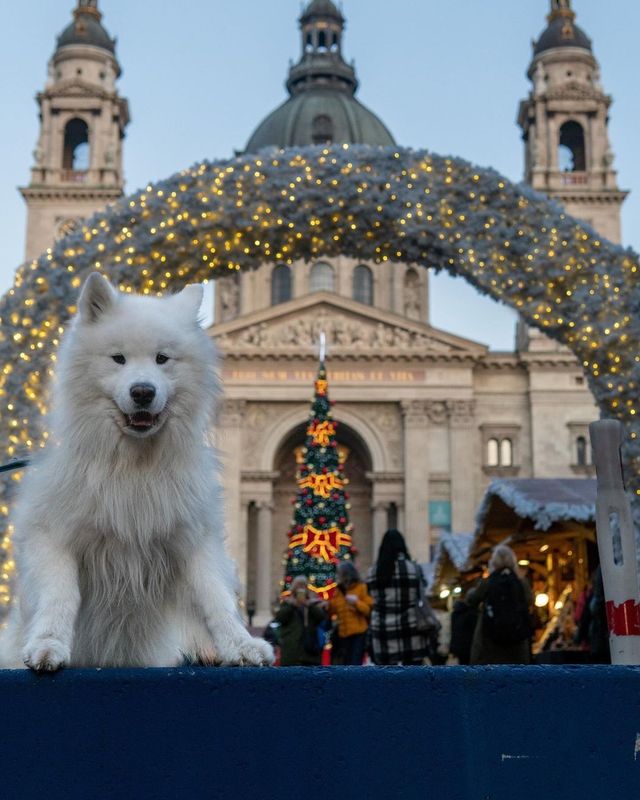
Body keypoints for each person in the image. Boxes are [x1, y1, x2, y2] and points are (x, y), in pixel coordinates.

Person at [366, 529, 429, 665]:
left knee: (387, 682)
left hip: (383, 632)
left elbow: (371, 597)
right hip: (410, 630)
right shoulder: (413, 569)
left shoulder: (372, 572)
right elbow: (420, 595)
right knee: (413, 680)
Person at [465, 544, 533, 665]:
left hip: (490, 644)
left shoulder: (488, 582)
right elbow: (529, 601)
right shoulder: (521, 583)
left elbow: (472, 600)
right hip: (517, 644)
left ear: (494, 562)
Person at [274, 575, 327, 667]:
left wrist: (309, 605)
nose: (301, 588)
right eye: (298, 585)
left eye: (303, 586)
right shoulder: (287, 603)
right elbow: (280, 618)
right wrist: (292, 605)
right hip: (291, 649)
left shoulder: (312, 603)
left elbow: (321, 617)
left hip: (310, 649)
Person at [327, 561, 373, 665]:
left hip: (358, 634)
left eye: (339, 573)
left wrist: (356, 602)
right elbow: (333, 609)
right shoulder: (338, 590)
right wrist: (327, 606)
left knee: (355, 663)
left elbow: (367, 610)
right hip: (343, 635)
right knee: (344, 663)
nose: (337, 575)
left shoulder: (361, 587)